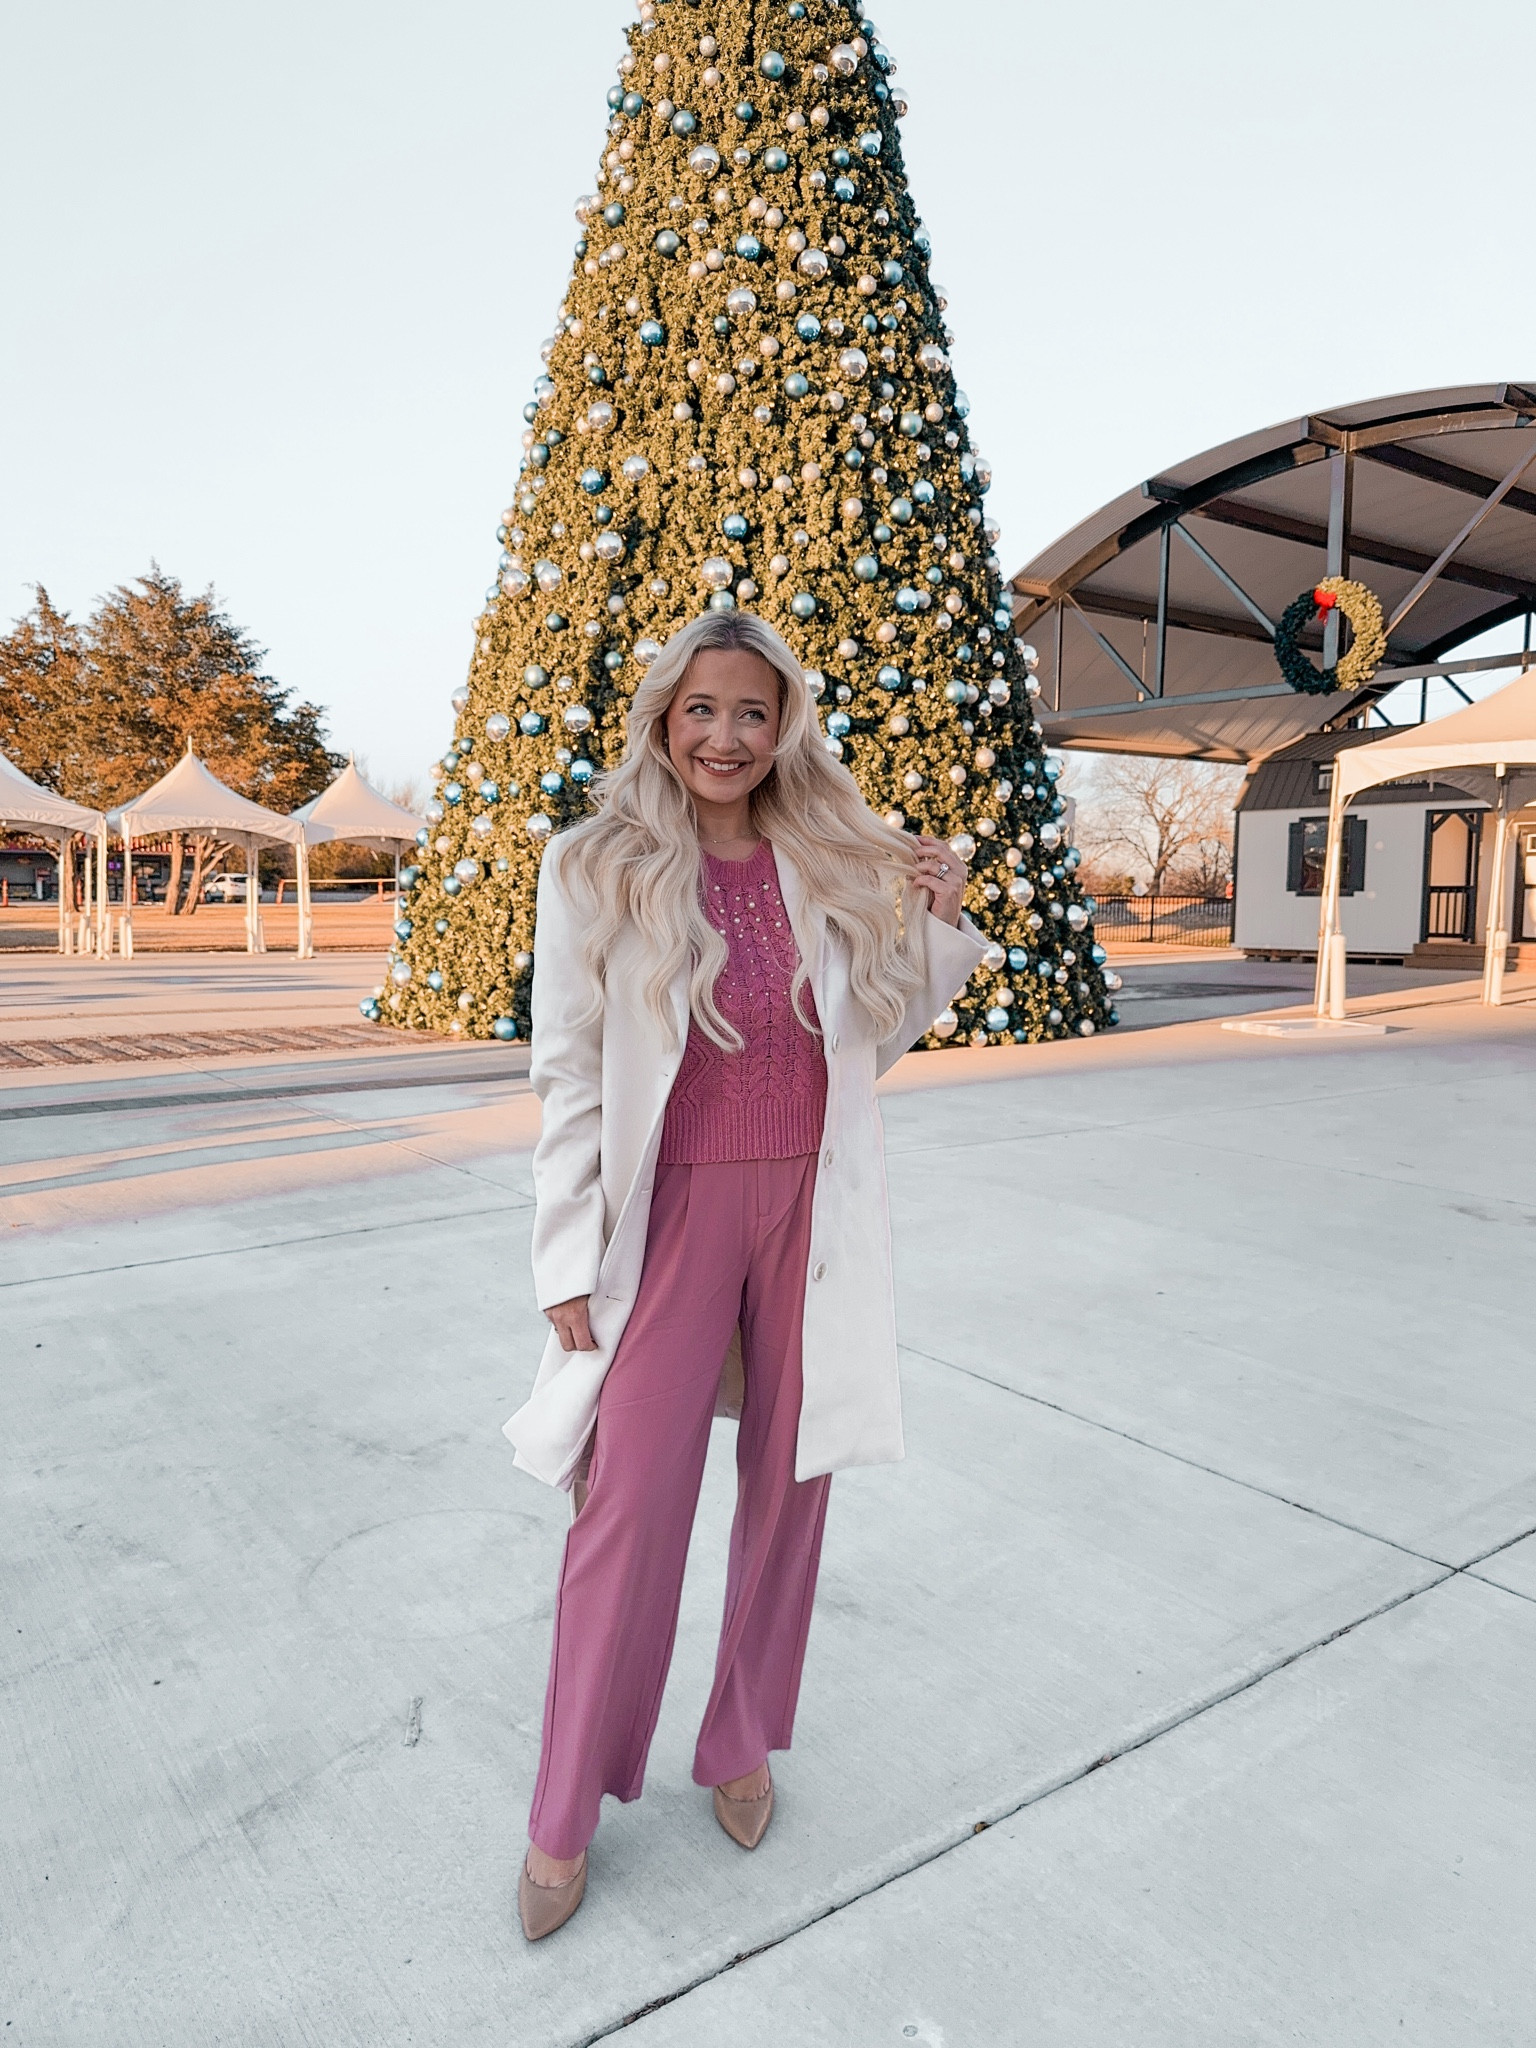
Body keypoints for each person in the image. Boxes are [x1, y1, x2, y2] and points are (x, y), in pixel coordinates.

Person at [507, 610, 987, 1940]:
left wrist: (938, 927)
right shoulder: (595, 867)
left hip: (809, 1208)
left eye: (753, 714)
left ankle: (739, 1738)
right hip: (667, 1219)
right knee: (625, 1506)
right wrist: (561, 1257)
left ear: (786, 732)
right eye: (703, 709)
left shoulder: (819, 861)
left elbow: (869, 1042)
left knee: (792, 1485)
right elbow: (566, 1075)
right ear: (665, 715)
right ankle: (562, 1812)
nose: (726, 735)